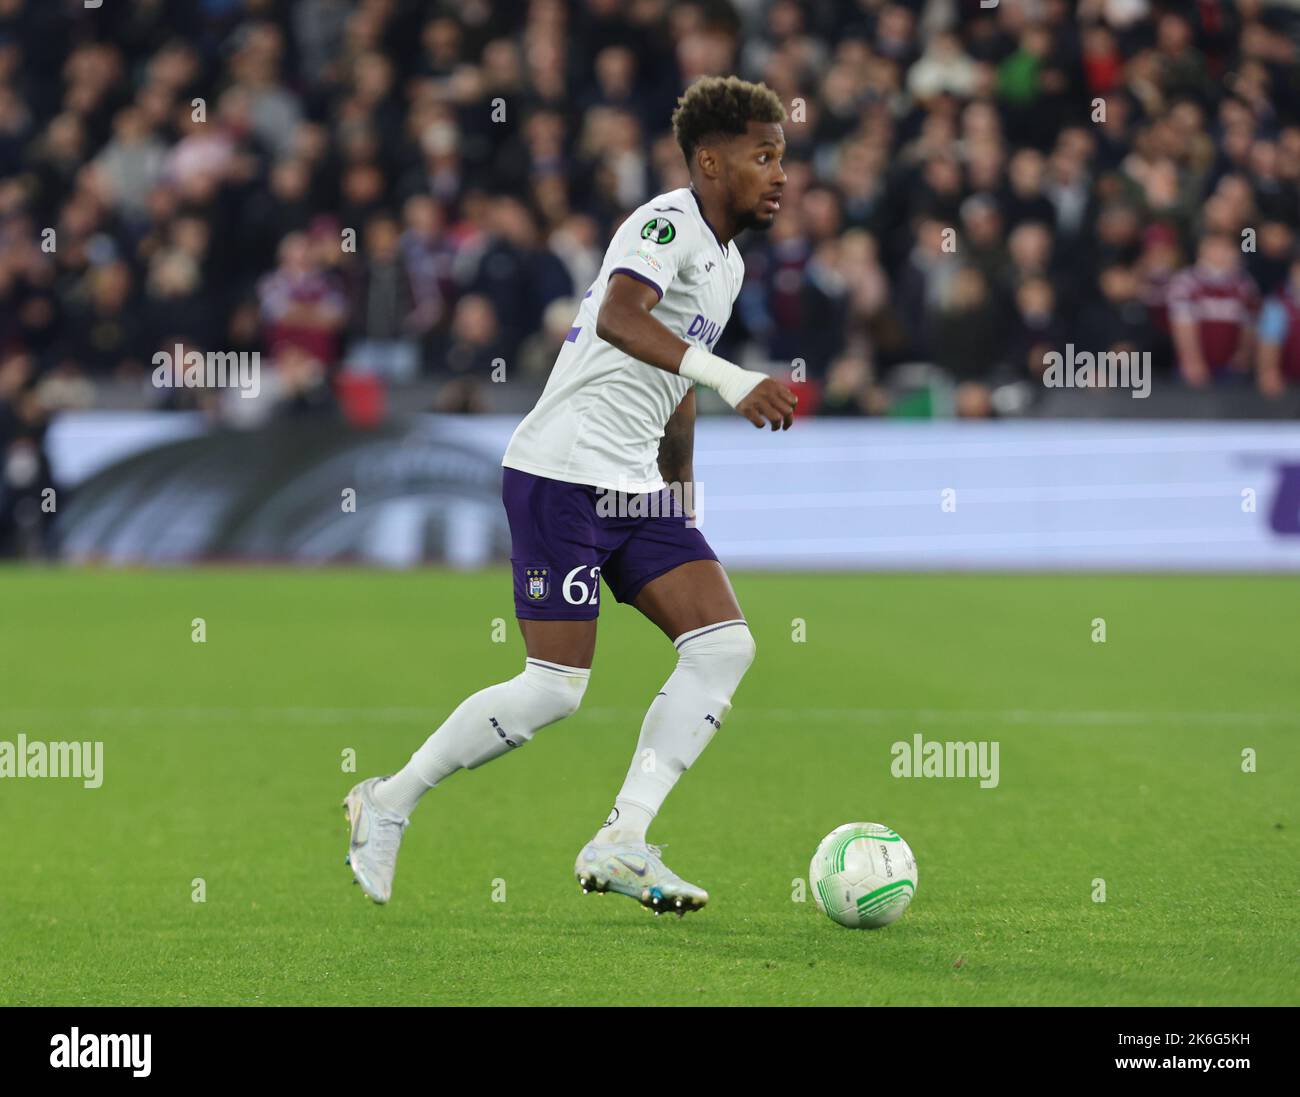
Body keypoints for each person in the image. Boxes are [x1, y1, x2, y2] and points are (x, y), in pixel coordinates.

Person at [343, 76, 797, 915]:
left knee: (723, 646)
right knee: (555, 687)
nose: (780, 175)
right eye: (762, 157)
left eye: (783, 158)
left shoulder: (727, 264)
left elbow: (673, 378)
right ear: (708, 161)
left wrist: (682, 494)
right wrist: (738, 379)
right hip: (562, 473)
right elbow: (626, 318)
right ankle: (389, 799)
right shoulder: (665, 223)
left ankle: (623, 838)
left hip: (637, 487)